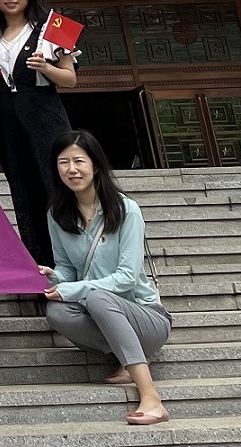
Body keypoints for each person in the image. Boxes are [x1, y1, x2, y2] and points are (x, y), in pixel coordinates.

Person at [43, 130, 170, 426]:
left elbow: (127, 278)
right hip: (100, 313)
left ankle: (151, 397)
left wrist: (73, 290)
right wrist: (52, 276)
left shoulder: (126, 210)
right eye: (63, 162)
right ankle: (127, 353)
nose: (72, 169)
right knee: (57, 312)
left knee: (98, 298)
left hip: (147, 318)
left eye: (79, 161)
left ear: (96, 165)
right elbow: (67, 269)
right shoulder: (57, 215)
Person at [0, 0, 77, 268]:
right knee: (22, 189)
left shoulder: (53, 27)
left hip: (44, 115)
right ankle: (39, 264)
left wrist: (46, 68)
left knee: (56, 185)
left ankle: (73, 261)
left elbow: (70, 80)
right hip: (5, 120)